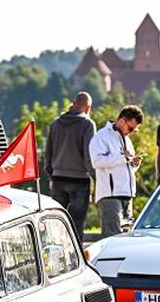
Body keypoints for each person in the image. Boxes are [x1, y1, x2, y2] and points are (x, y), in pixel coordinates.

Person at [45, 92, 96, 241]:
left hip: (58, 178)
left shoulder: (55, 123)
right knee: (76, 223)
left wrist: (51, 174)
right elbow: (89, 155)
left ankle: (56, 254)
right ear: (88, 107)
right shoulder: (88, 124)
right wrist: (96, 178)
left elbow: (48, 152)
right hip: (79, 180)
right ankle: (76, 257)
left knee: (56, 222)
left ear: (74, 104)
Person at [88, 105, 144, 239]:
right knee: (113, 237)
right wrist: (123, 157)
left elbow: (124, 166)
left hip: (127, 194)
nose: (131, 132)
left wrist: (134, 164)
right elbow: (97, 162)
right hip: (110, 195)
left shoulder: (127, 139)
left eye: (134, 130)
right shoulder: (101, 137)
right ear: (121, 121)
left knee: (126, 237)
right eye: (130, 128)